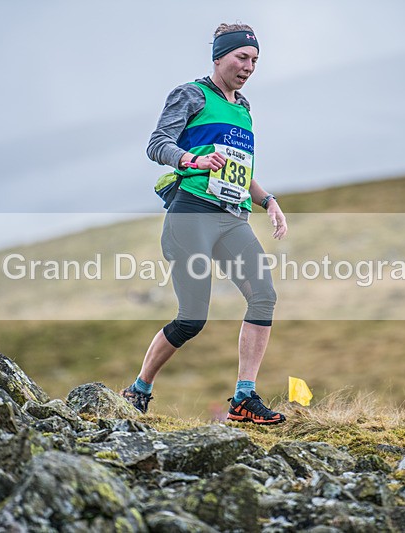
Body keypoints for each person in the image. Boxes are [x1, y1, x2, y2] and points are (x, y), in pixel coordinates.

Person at [120, 23, 288, 425]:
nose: (248, 67)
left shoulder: (244, 107)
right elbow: (157, 144)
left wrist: (269, 202)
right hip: (192, 212)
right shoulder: (191, 94)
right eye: (241, 58)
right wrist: (192, 160)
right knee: (192, 319)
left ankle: (244, 399)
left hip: (232, 218)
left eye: (255, 61)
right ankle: (139, 390)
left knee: (264, 295)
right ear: (219, 57)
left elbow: (240, 169)